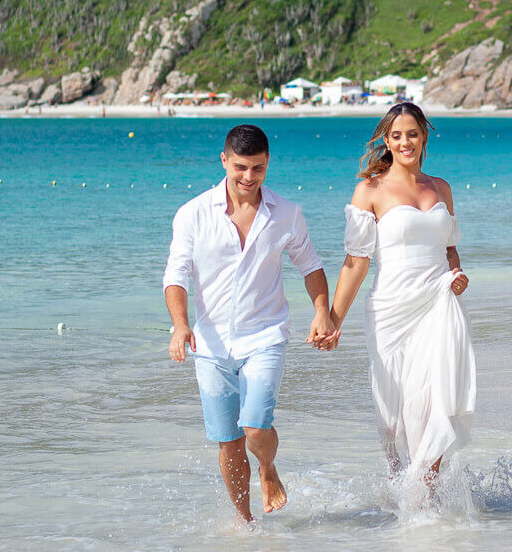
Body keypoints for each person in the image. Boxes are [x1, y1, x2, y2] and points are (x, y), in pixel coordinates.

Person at [164, 124, 335, 523]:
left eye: (258, 168)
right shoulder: (193, 213)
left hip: (265, 336)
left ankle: (268, 469)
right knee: (228, 441)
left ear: (267, 163)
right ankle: (247, 524)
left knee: (255, 428)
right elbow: (176, 274)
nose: (248, 177)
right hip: (209, 345)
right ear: (224, 161)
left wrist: (321, 310)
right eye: (240, 167)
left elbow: (310, 265)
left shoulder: (287, 214)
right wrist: (179, 324)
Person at [323, 103, 475, 488]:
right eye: (396, 135)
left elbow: (449, 247)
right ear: (386, 141)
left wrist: (456, 273)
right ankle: (399, 494)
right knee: (395, 413)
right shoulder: (369, 190)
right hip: (392, 311)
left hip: (439, 305)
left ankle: (425, 498)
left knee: (435, 401)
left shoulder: (441, 187)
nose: (405, 142)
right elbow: (356, 262)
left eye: (412, 133)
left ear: (424, 135)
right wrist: (333, 319)